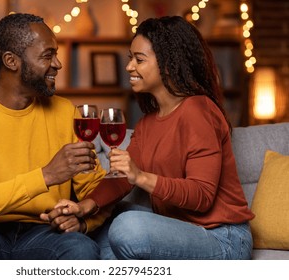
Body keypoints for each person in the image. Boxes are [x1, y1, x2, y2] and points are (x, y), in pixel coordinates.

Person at [42, 16, 255, 260]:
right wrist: (83, 207)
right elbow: (122, 180)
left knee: (128, 226)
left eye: (139, 60)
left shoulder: (199, 110)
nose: (129, 67)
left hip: (222, 238)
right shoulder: (148, 123)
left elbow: (202, 196)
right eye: (130, 58)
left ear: (168, 63)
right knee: (108, 217)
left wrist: (141, 176)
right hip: (179, 230)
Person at [0, 13, 110, 260]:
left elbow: (96, 190)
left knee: (80, 247)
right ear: (11, 61)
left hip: (43, 232)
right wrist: (46, 176)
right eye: (47, 55)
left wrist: (83, 223)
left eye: (56, 54)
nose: (58, 64)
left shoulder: (65, 112)